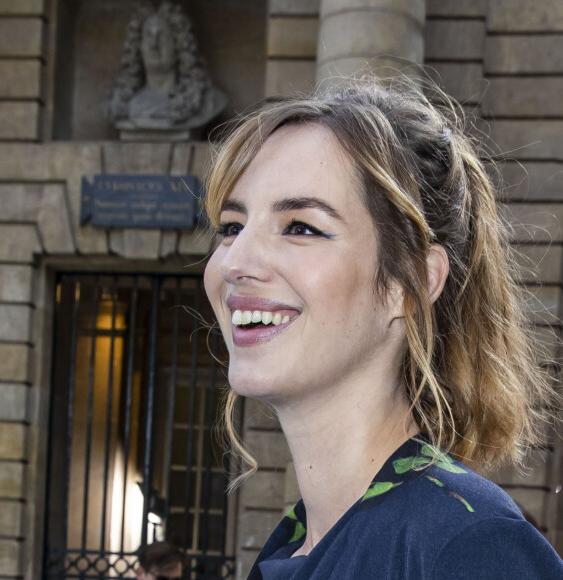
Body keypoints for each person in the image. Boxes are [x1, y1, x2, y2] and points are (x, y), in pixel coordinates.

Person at [202, 76, 563, 579]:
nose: (235, 261)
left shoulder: (469, 547)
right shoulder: (295, 543)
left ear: (408, 283)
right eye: (232, 227)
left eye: (301, 227)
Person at [110, 1, 226, 131]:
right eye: (148, 36)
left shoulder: (208, 101)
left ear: (178, 44)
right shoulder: (119, 103)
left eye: (162, 36)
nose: (154, 45)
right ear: (138, 46)